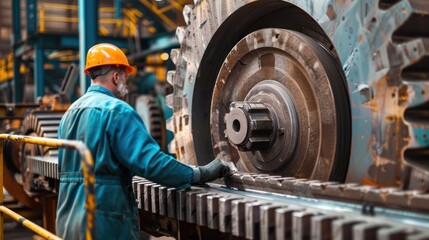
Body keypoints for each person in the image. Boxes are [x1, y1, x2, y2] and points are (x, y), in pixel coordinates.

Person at [55, 43, 230, 239]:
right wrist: (197, 174)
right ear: (115, 76)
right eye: (125, 77)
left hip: (67, 221)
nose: (127, 83)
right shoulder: (117, 111)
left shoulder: (69, 113)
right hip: (102, 223)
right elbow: (151, 163)